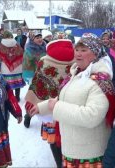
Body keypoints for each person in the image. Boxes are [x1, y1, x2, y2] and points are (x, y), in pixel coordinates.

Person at [29, 33, 115, 167]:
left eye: (84, 50)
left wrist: (57, 107)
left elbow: (91, 116)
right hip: (72, 148)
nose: (78, 54)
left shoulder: (100, 81)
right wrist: (43, 107)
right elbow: (64, 98)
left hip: (89, 154)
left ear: (95, 54)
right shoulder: (76, 74)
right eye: (77, 49)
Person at [24, 38, 75, 167]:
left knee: (53, 136)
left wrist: (32, 102)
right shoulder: (77, 61)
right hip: (69, 106)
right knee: (68, 135)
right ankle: (69, 161)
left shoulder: (44, 61)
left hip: (47, 107)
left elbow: (37, 82)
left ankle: (59, 163)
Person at [22, 30, 46, 128]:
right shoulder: (29, 50)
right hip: (35, 76)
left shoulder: (45, 47)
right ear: (32, 39)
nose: (40, 39)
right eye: (37, 37)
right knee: (34, 97)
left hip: (46, 75)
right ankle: (29, 115)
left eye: (40, 37)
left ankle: (45, 118)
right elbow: (27, 65)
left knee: (45, 97)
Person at [0, 30, 25, 101]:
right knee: (17, 82)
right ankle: (17, 97)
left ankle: (8, 97)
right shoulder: (17, 44)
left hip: (5, 67)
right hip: (17, 67)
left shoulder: (0, 45)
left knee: (7, 83)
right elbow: (21, 54)